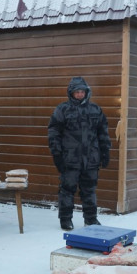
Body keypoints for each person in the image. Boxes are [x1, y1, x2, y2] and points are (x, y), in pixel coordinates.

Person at [48, 77, 111, 231]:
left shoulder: (95, 110)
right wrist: (57, 155)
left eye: (82, 91)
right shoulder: (62, 109)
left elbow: (103, 133)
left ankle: (91, 219)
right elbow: (54, 133)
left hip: (91, 159)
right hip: (70, 158)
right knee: (67, 190)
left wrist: (105, 152)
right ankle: (65, 220)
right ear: (71, 93)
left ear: (86, 92)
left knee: (89, 190)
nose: (80, 94)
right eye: (77, 92)